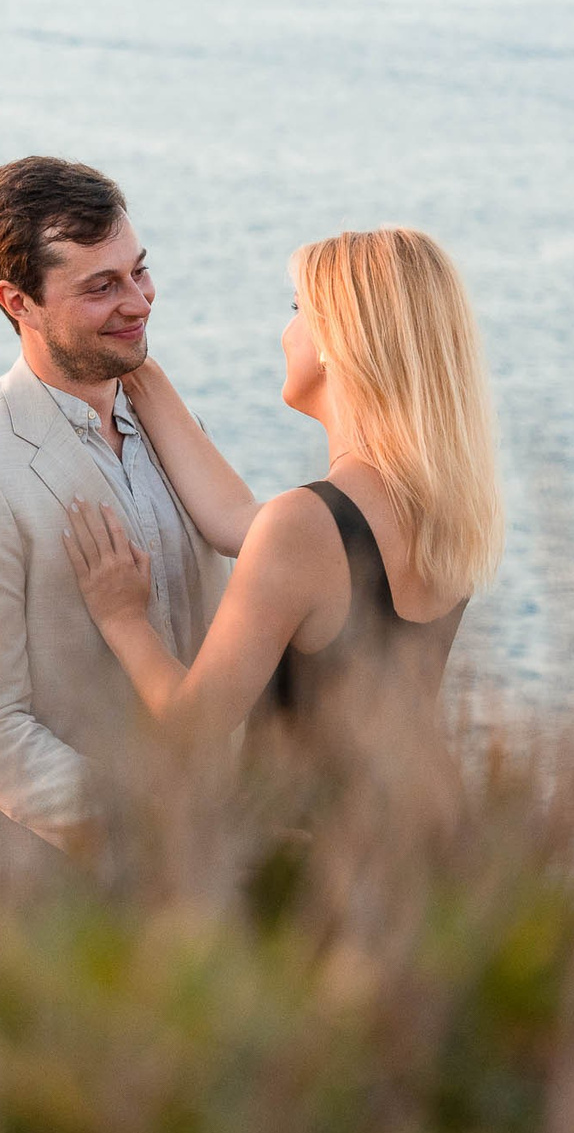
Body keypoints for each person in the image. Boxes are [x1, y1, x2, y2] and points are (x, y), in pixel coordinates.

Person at [0, 157, 226, 938]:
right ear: (19, 302)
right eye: (101, 286)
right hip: (16, 910)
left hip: (174, 906)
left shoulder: (178, 433)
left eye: (139, 271)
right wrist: (146, 837)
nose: (137, 302)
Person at [60, 226, 500, 758]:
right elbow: (232, 519)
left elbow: (192, 727)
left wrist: (123, 618)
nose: (287, 332)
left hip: (311, 815)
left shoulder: (306, 525)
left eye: (298, 309)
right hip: (417, 808)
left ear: (336, 342)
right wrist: (132, 366)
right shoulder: (442, 506)